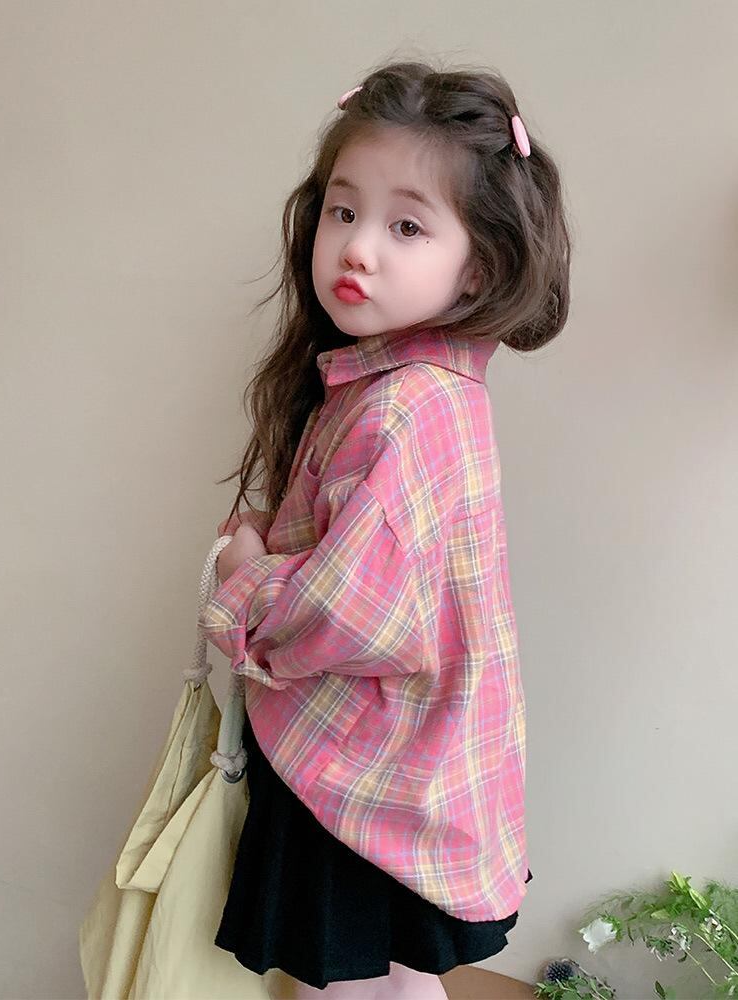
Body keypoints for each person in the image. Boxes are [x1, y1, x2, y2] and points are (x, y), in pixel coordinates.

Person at [199, 58, 571, 1000]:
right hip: (400, 767)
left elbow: (358, 615)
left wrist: (246, 577)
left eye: (407, 225)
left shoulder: (407, 405)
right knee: (392, 981)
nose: (358, 248)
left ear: (479, 264)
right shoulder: (411, 386)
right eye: (342, 210)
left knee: (355, 988)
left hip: (364, 777)